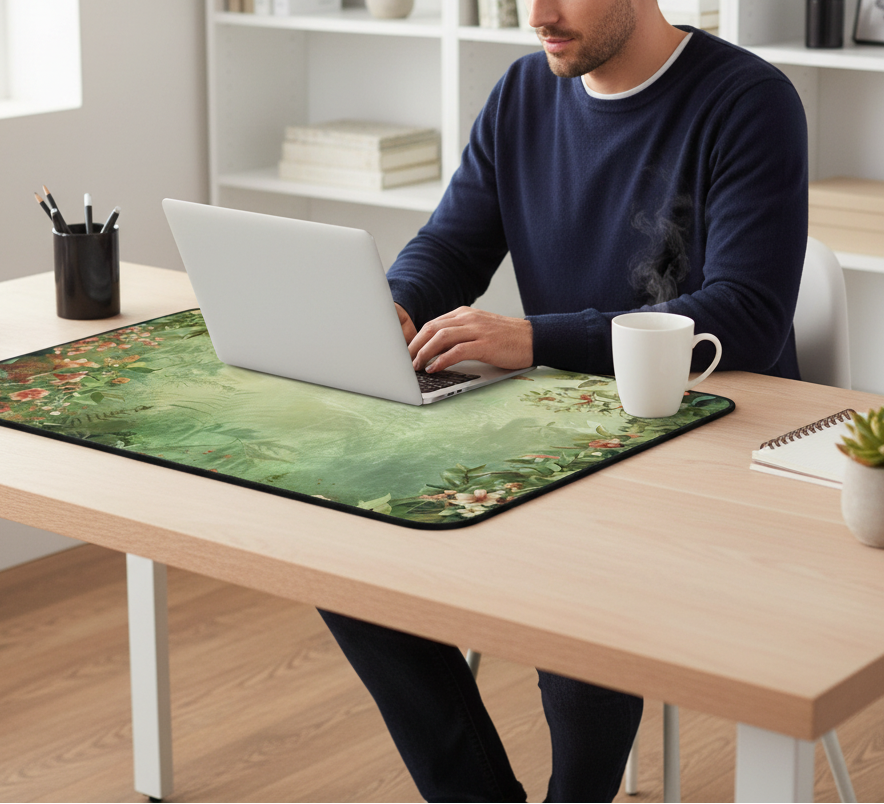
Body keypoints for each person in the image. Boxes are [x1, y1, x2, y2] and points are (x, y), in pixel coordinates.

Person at [322, 0, 809, 801]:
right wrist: (397, 303)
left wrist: (534, 339)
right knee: (339, 537)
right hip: (556, 428)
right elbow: (452, 243)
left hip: (702, 443)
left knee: (582, 581)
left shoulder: (747, 100)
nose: (537, 14)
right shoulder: (522, 93)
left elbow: (749, 317)